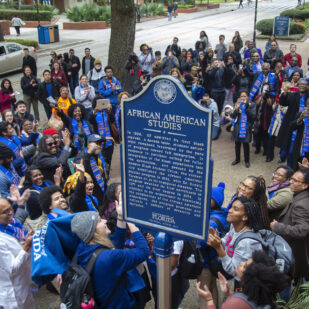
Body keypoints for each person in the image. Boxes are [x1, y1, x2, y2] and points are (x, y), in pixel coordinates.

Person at [71, 207, 149, 308]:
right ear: (93, 231)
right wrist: (131, 221)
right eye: (99, 221)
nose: (105, 221)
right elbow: (143, 251)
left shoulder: (82, 247)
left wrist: (121, 217)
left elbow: (116, 244)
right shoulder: (109, 257)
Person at [197, 250, 290, 309]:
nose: (241, 263)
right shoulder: (263, 296)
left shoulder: (235, 304)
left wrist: (209, 300)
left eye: (245, 266)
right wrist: (229, 293)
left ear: (251, 278)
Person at [207, 196, 264, 279]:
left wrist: (218, 248)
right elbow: (227, 242)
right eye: (231, 207)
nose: (229, 211)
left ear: (245, 217)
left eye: (235, 209)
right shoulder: (234, 226)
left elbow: (235, 271)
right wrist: (217, 240)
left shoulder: (247, 243)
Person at [271, 168, 309, 280]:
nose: (291, 182)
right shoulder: (300, 196)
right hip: (295, 252)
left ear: (305, 185)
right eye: (292, 179)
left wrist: (278, 227)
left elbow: (302, 230)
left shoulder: (301, 205)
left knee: (286, 281)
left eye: (296, 181)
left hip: (295, 252)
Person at [0, 197, 35, 309]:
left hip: (24, 285)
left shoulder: (10, 226)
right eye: (5, 212)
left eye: (10, 209)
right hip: (14, 294)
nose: (11, 213)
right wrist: (25, 248)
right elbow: (12, 268)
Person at [198, 182, 228, 308]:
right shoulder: (220, 213)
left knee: (204, 291)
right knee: (212, 286)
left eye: (208, 197)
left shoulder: (212, 222)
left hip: (206, 262)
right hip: (212, 259)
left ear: (215, 201)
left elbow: (201, 242)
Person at [276, 79, 309, 167]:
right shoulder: (293, 95)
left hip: (305, 127)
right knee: (291, 150)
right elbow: (283, 102)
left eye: (304, 84)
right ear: (298, 85)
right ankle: (289, 169)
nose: (302, 86)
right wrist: (285, 93)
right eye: (300, 84)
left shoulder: (308, 96)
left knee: (302, 151)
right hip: (293, 124)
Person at [75, 134, 108, 203]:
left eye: (100, 144)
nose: (99, 146)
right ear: (88, 145)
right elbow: (82, 171)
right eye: (96, 143)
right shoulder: (81, 156)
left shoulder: (99, 156)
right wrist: (89, 152)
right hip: (90, 192)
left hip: (101, 189)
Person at [89, 97, 115, 176]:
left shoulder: (106, 112)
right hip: (99, 141)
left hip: (109, 141)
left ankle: (107, 173)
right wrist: (94, 112)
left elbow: (113, 120)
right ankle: (102, 174)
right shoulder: (93, 113)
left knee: (109, 158)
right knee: (100, 158)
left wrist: (110, 111)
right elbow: (90, 121)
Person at [231, 91, 256, 168]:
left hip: (246, 127)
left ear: (248, 97)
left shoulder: (251, 105)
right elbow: (232, 116)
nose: (243, 98)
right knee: (237, 144)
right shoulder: (238, 104)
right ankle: (237, 159)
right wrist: (236, 109)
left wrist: (246, 108)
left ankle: (247, 161)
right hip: (238, 126)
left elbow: (253, 116)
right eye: (241, 96)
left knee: (245, 144)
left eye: (244, 96)